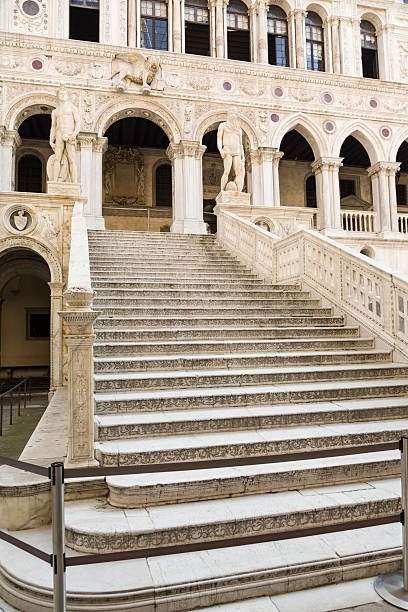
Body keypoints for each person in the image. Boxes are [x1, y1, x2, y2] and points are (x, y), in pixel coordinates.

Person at [49, 86, 80, 182]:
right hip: (59, 134)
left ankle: (74, 183)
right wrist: (51, 140)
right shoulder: (55, 111)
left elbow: (78, 122)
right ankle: (54, 181)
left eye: (64, 93)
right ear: (58, 96)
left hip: (69, 133)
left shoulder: (72, 107)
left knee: (71, 159)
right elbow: (53, 126)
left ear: (67, 96)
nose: (62, 95)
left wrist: (74, 134)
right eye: (60, 94)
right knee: (57, 159)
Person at [217, 111, 245, 192]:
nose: (233, 116)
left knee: (238, 172)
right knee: (227, 170)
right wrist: (221, 150)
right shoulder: (223, 125)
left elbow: (240, 144)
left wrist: (243, 156)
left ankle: (238, 191)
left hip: (237, 151)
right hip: (227, 149)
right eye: (231, 114)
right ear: (228, 115)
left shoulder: (238, 129)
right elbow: (219, 138)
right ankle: (222, 191)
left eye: (235, 114)